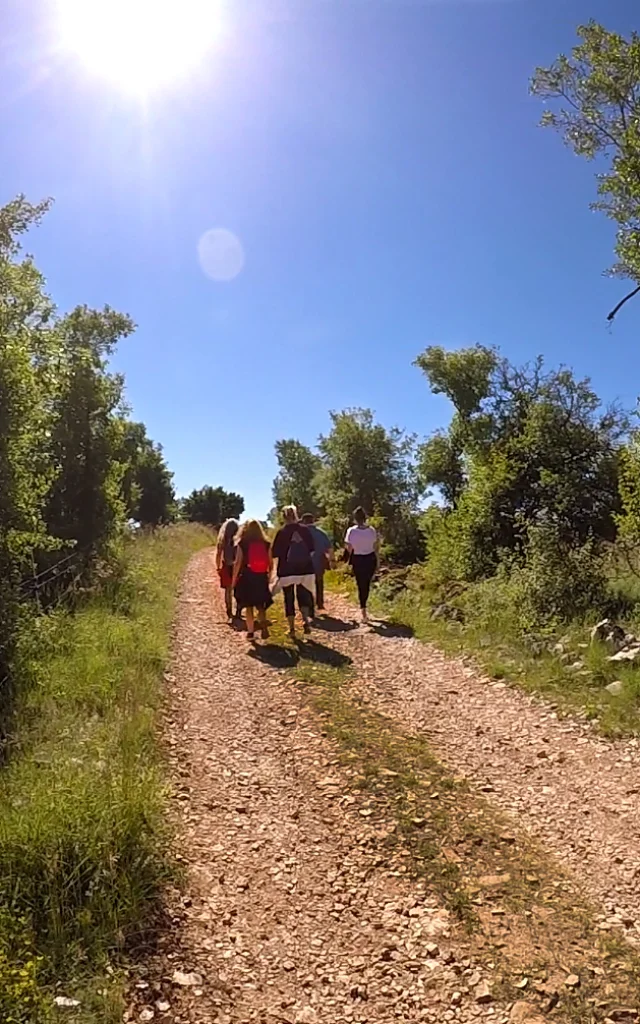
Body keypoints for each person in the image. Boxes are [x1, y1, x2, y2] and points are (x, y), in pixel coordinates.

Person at [271, 505, 316, 639]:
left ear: (283, 517)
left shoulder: (281, 532)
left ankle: (291, 629)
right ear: (296, 515)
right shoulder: (305, 530)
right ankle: (305, 622)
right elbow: (312, 550)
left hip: (286, 571)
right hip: (305, 570)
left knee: (288, 598)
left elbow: (274, 553)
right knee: (303, 596)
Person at [232, 519, 273, 641]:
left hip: (247, 576)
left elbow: (238, 563)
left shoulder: (242, 543)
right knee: (261, 605)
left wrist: (234, 579)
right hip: (261, 576)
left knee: (248, 606)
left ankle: (250, 633)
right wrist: (269, 576)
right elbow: (270, 563)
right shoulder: (266, 543)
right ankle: (263, 625)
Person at [345, 507, 379, 623]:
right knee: (367, 584)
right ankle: (364, 609)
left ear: (355, 518)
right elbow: (375, 547)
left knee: (360, 584)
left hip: (357, 558)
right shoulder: (371, 530)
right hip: (370, 558)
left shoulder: (351, 531)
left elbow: (349, 548)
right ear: (365, 517)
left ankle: (363, 610)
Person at [301, 512, 333, 614]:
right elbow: (329, 548)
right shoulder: (321, 533)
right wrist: (332, 560)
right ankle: (320, 603)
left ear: (303, 521)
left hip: (305, 564)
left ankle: (310, 608)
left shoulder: (300, 533)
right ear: (313, 520)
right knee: (319, 583)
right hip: (319, 562)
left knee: (306, 585)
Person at [216, 518, 240, 621]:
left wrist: (218, 567)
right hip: (237, 566)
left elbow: (218, 554)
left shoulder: (222, 539)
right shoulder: (239, 539)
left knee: (228, 589)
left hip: (226, 565)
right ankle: (238, 610)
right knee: (238, 589)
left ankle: (229, 610)